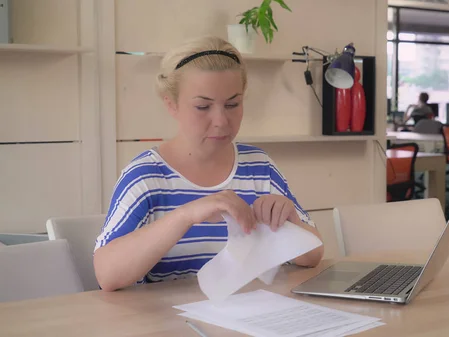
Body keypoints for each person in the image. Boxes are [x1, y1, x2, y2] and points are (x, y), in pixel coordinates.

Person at [93, 37, 324, 292]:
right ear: (172, 104)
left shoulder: (260, 166)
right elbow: (107, 275)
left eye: (233, 104)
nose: (221, 121)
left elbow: (313, 256)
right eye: (203, 106)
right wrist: (186, 215)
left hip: (251, 320)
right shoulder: (146, 176)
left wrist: (291, 220)